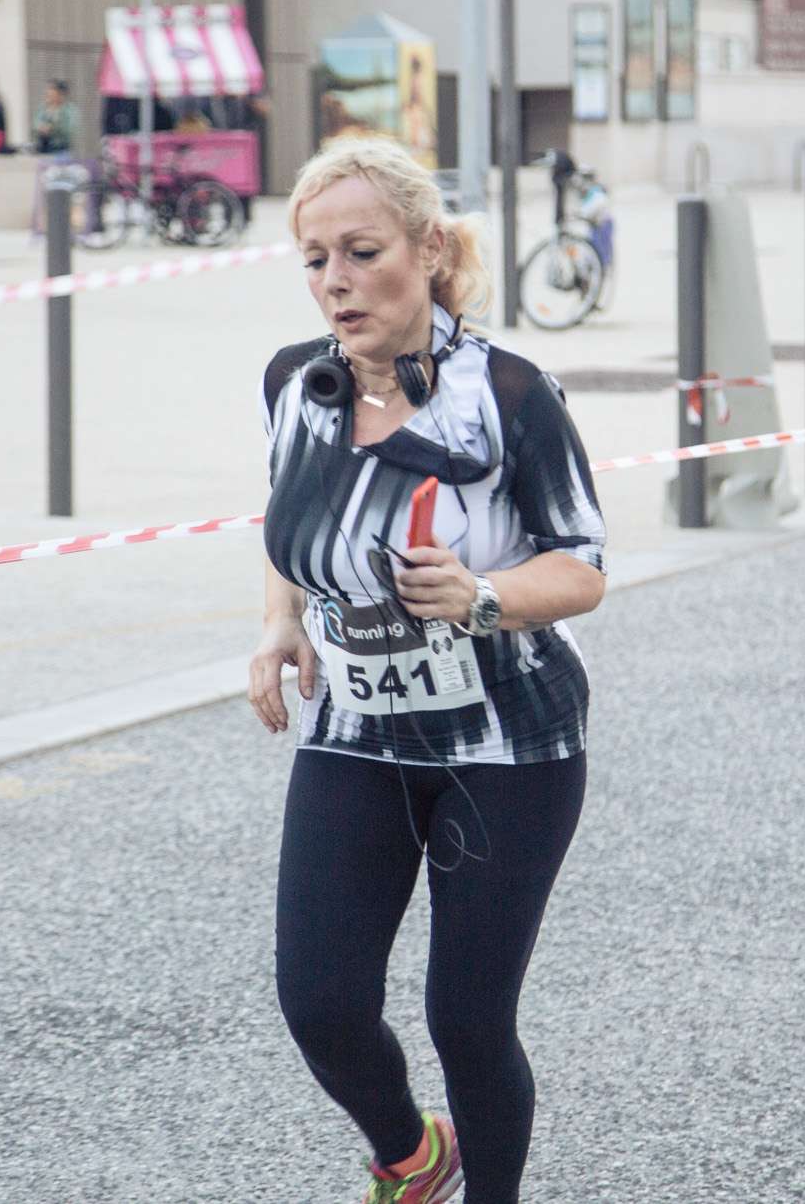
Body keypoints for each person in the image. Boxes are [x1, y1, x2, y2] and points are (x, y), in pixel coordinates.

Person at [250, 137, 607, 1204]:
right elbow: (286, 517)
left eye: (362, 253)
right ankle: (413, 1155)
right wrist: (279, 620)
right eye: (316, 260)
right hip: (357, 732)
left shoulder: (510, 393)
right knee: (320, 1002)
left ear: (431, 250)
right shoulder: (295, 383)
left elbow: (582, 568)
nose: (336, 281)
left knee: (467, 1018)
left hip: (508, 743)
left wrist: (482, 595)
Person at [33, 78, 77, 154]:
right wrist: (41, 128)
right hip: (43, 148)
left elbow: (70, 129)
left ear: (61, 95)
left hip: (61, 149)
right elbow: (35, 123)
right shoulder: (43, 108)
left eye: (53, 94)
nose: (49, 96)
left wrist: (54, 127)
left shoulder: (70, 110)